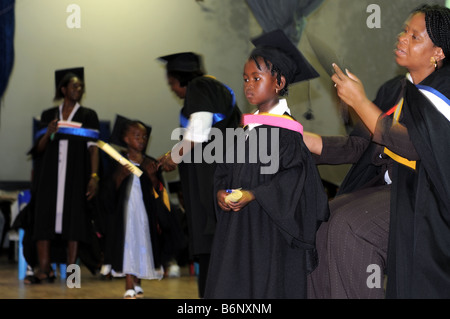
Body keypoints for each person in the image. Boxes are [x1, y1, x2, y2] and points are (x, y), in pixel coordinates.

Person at [307, 4, 450, 299]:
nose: (402, 38)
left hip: (425, 199)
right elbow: (361, 144)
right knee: (320, 219)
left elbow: (414, 145)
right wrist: (305, 140)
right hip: (388, 192)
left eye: (414, 36)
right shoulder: (393, 90)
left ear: (438, 53)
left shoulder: (444, 93)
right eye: (404, 31)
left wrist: (360, 103)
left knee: (350, 229)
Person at [204, 29, 330, 299]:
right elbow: (225, 169)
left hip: (268, 232)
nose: (248, 84)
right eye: (245, 78)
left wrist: (254, 195)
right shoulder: (245, 127)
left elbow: (294, 180)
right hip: (237, 228)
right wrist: (221, 191)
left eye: (256, 78)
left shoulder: (287, 133)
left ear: (279, 81)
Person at [157, 52, 242, 298]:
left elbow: (199, 130)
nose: (172, 89)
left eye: (172, 82)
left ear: (182, 78)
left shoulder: (200, 85)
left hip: (210, 177)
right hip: (219, 171)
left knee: (211, 240)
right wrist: (173, 153)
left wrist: (174, 156)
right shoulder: (215, 89)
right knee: (217, 240)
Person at [28, 67, 100, 283]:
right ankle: (44, 269)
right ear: (63, 89)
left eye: (81, 86)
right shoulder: (49, 115)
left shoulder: (88, 115)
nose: (79, 89)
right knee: (43, 220)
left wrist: (94, 176)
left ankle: (72, 275)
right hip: (49, 177)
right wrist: (48, 132)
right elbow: (39, 149)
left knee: (74, 223)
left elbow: (93, 148)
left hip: (75, 176)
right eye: (74, 85)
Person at [106, 119, 165, 299]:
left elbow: (159, 192)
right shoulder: (117, 161)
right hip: (125, 213)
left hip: (144, 213)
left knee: (142, 244)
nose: (141, 140)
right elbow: (108, 191)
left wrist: (154, 178)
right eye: (136, 136)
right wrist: (120, 175)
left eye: (144, 137)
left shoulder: (150, 163)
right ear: (125, 138)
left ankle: (137, 282)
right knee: (128, 245)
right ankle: (129, 284)